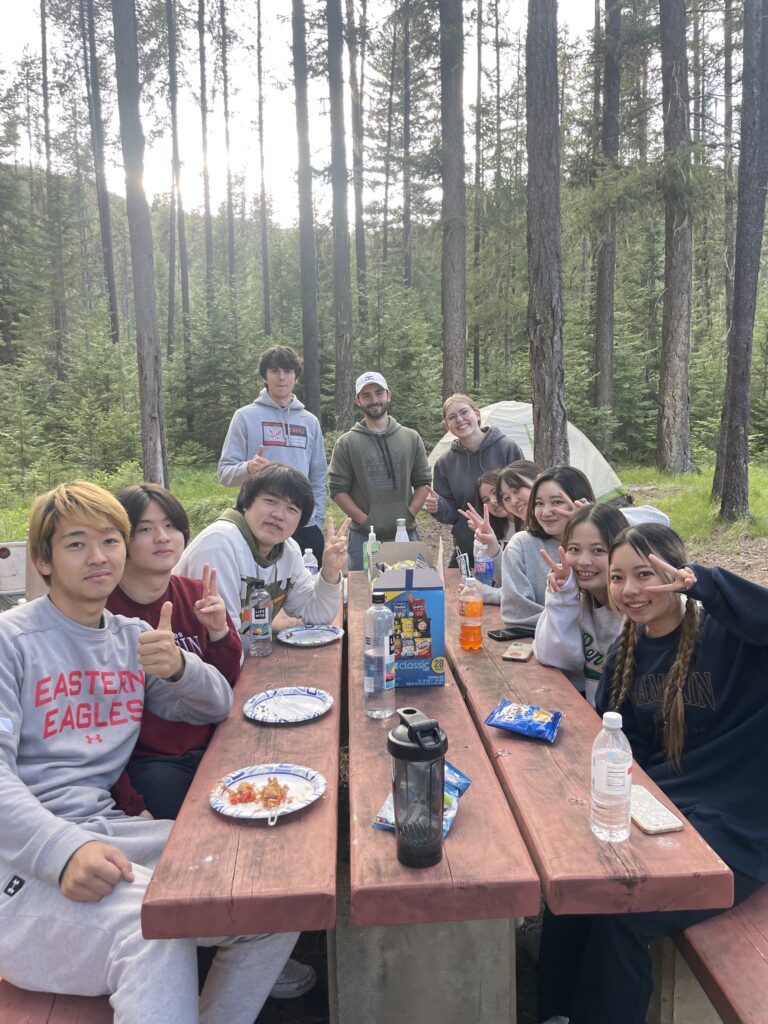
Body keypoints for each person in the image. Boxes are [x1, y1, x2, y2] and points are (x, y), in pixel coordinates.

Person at [0, 481, 299, 1022]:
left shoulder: (130, 636)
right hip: (21, 867)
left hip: (112, 832)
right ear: (42, 561)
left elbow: (212, 706)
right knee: (153, 927)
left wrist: (181, 667)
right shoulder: (11, 641)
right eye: (76, 544)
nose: (99, 557)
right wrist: (62, 850)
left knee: (271, 896)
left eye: (111, 540)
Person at [537, 522, 768, 1024]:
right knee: (574, 882)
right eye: (619, 579)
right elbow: (631, 754)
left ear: (677, 573)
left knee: (625, 918)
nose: (632, 590)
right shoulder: (627, 653)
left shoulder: (733, 638)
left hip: (741, 830)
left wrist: (708, 583)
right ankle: (554, 1013)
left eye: (646, 574)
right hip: (669, 815)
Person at [107, 483, 242, 820]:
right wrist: (130, 802)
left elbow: (226, 683)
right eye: (145, 529)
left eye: (170, 526)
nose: (162, 537)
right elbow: (99, 724)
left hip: (213, 738)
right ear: (119, 540)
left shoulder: (197, 593)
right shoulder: (104, 612)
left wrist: (218, 631)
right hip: (150, 761)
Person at [175, 464, 349, 653]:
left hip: (243, 659)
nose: (278, 515)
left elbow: (316, 615)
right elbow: (221, 635)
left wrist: (330, 573)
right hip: (196, 667)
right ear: (246, 502)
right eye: (270, 501)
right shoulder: (219, 544)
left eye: (291, 509)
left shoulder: (288, 550)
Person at [217, 344, 327, 563]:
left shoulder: (310, 421)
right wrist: (248, 468)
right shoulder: (245, 417)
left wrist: (316, 517)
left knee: (308, 586)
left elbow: (318, 476)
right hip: (259, 525)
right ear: (265, 376)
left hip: (302, 523)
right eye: (274, 371)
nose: (281, 377)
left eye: (287, 371)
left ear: (296, 377)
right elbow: (224, 473)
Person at [328, 371, 431, 570]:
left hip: (405, 534)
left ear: (388, 395)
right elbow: (337, 490)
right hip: (364, 538)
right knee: (364, 594)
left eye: (379, 393)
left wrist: (409, 514)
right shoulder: (347, 443)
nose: (374, 400)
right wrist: (364, 520)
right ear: (358, 401)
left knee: (411, 592)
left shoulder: (411, 437)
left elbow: (423, 482)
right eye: (366, 395)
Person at [533, 503, 628, 707]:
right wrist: (562, 595)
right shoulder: (580, 601)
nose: (584, 561)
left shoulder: (636, 609)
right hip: (591, 717)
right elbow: (551, 655)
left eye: (598, 550)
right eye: (574, 549)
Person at [425, 394, 523, 567]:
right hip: (468, 549)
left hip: (509, 548)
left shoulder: (507, 448)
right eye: (452, 417)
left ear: (477, 414)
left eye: (464, 412)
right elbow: (451, 513)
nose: (460, 419)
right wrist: (438, 506)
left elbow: (524, 495)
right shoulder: (445, 463)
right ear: (447, 425)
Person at [500, 466, 594, 631]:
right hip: (542, 642)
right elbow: (516, 613)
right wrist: (567, 626)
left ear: (580, 501)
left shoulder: (602, 545)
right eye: (539, 503)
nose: (546, 512)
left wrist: (594, 519)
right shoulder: (521, 545)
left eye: (557, 502)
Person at [459, 459, 543, 603]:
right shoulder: (492, 529)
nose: (493, 501)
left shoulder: (543, 530)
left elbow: (527, 596)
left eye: (496, 494)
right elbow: (512, 582)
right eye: (506, 498)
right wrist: (491, 542)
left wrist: (486, 593)